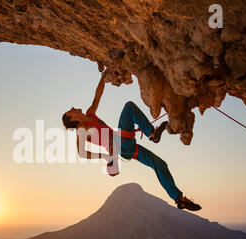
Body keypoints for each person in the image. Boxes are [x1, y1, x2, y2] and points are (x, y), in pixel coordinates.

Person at [62, 74, 201, 211]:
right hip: (120, 145)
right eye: (70, 111)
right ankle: (152, 133)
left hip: (126, 147)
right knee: (129, 108)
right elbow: (81, 153)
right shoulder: (81, 128)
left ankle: (179, 199)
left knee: (159, 164)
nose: (73, 107)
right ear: (73, 119)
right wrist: (105, 156)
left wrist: (102, 78)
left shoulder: (90, 114)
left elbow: (97, 96)